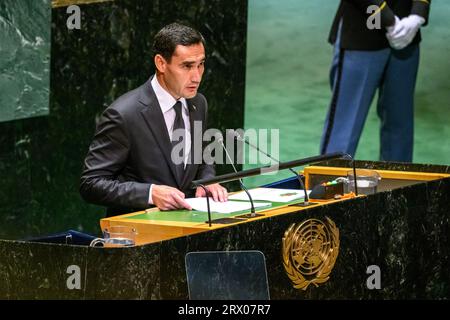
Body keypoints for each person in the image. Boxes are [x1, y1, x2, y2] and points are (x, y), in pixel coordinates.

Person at [80, 22, 228, 216]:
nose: (197, 77)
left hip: (188, 228)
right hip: (139, 234)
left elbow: (201, 158)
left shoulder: (198, 103)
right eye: (187, 66)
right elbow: (90, 184)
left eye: (200, 64)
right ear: (161, 63)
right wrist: (150, 193)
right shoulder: (124, 114)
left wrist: (207, 181)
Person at [320, 0, 431, 162]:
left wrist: (418, 14)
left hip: (407, 34)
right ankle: (328, 185)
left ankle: (398, 186)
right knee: (343, 132)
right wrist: (388, 19)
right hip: (361, 35)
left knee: (400, 131)